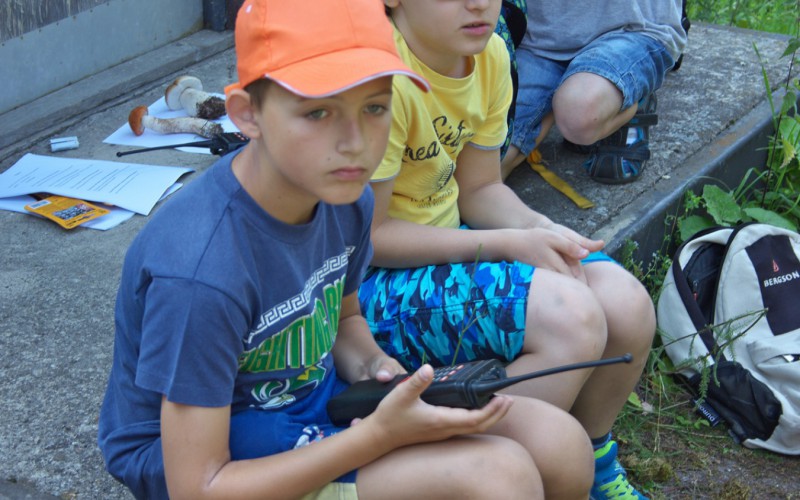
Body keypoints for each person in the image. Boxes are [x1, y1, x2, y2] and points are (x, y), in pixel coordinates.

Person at [97, 0, 594, 498]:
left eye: (374, 107)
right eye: (318, 112)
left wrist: (379, 371)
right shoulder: (201, 273)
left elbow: (345, 319)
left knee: (559, 443)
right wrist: (377, 437)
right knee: (498, 475)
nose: (356, 142)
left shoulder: (346, 198)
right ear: (247, 115)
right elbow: (198, 486)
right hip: (215, 451)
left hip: (313, 402)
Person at [359, 1, 656, 498]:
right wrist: (507, 242)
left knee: (625, 304)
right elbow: (370, 238)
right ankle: (488, 465)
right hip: (375, 286)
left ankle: (595, 464)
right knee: (571, 320)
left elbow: (479, 189)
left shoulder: (489, 53)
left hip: (451, 247)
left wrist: (541, 230)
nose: (479, 4)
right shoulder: (380, 80)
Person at [500, 0, 688, 183]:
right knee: (492, 163)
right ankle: (576, 93)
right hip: (537, 37)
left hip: (632, 27)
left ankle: (631, 96)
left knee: (579, 114)